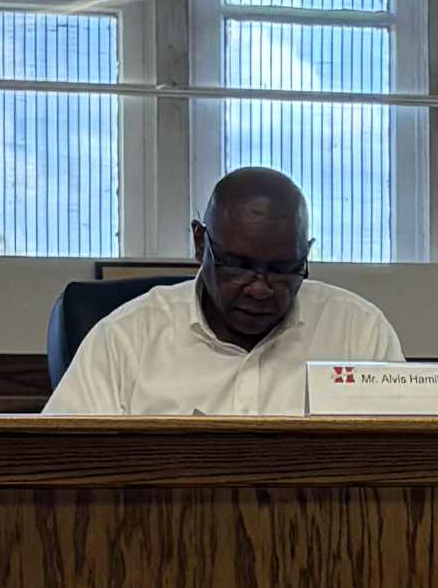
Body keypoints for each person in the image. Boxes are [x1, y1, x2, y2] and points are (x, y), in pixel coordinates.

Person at [44, 167, 404, 415]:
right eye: (238, 265)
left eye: (284, 270)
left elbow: (403, 461)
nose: (260, 289)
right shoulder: (126, 338)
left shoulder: (358, 333)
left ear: (306, 255)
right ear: (200, 243)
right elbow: (64, 466)